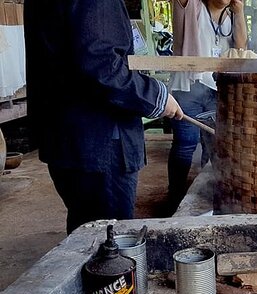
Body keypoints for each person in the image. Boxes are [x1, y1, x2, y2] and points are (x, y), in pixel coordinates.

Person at [24, 0, 183, 234]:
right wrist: (156, 96)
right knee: (107, 241)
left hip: (67, 139)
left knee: (86, 231)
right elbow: (102, 63)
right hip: (100, 141)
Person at [169, 0, 247, 210]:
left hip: (216, 88)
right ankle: (174, 197)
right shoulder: (190, 6)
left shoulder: (230, 15)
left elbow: (241, 46)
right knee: (185, 143)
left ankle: (206, 196)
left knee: (212, 146)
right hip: (188, 86)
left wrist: (239, 13)